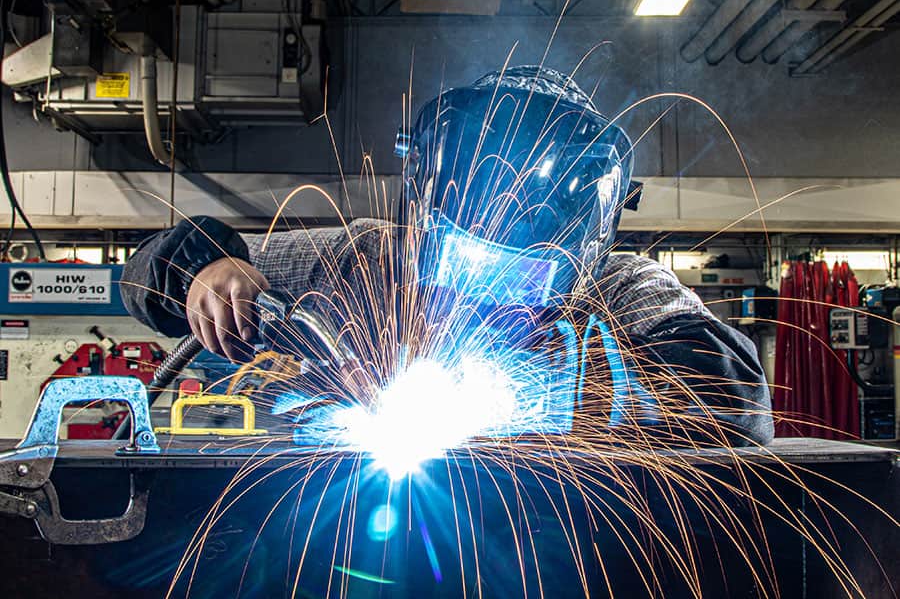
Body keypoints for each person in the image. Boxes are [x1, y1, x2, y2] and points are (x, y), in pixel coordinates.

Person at [122, 66, 774, 447]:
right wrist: (205, 270)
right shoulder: (358, 257)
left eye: (523, 279)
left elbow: (734, 397)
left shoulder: (622, 286)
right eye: (467, 265)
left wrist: (559, 406)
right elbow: (147, 270)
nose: (489, 302)